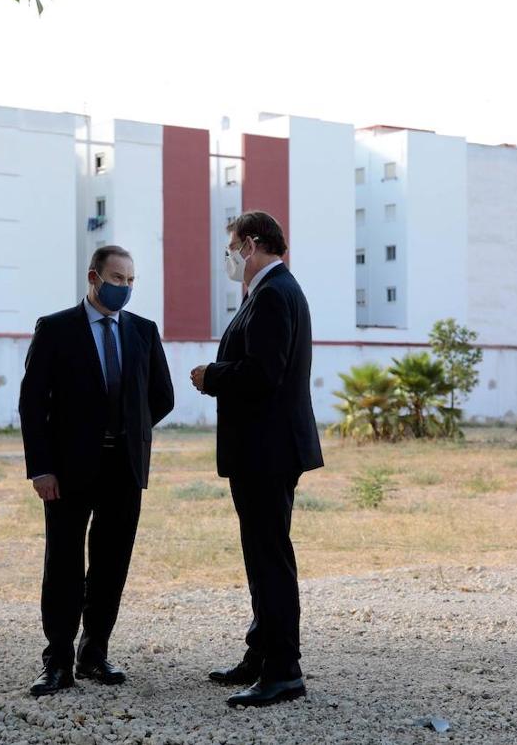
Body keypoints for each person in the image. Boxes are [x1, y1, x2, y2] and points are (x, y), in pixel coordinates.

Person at [18, 244, 175, 697]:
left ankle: (95, 652)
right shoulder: (55, 329)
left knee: (111, 564)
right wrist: (42, 467)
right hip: (67, 471)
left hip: (123, 468)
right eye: (117, 278)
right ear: (93, 276)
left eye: (130, 281)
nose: (124, 287)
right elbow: (33, 404)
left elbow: (160, 396)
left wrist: (130, 430)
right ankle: (58, 661)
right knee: (64, 562)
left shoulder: (143, 332)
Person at [189, 210, 324, 707]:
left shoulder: (272, 294)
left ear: (250, 244)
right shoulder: (272, 292)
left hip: (267, 450)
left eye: (232, 246)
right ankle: (261, 654)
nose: (229, 257)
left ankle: (284, 671)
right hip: (263, 449)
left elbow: (264, 373)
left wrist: (213, 375)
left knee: (269, 559)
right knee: (261, 555)